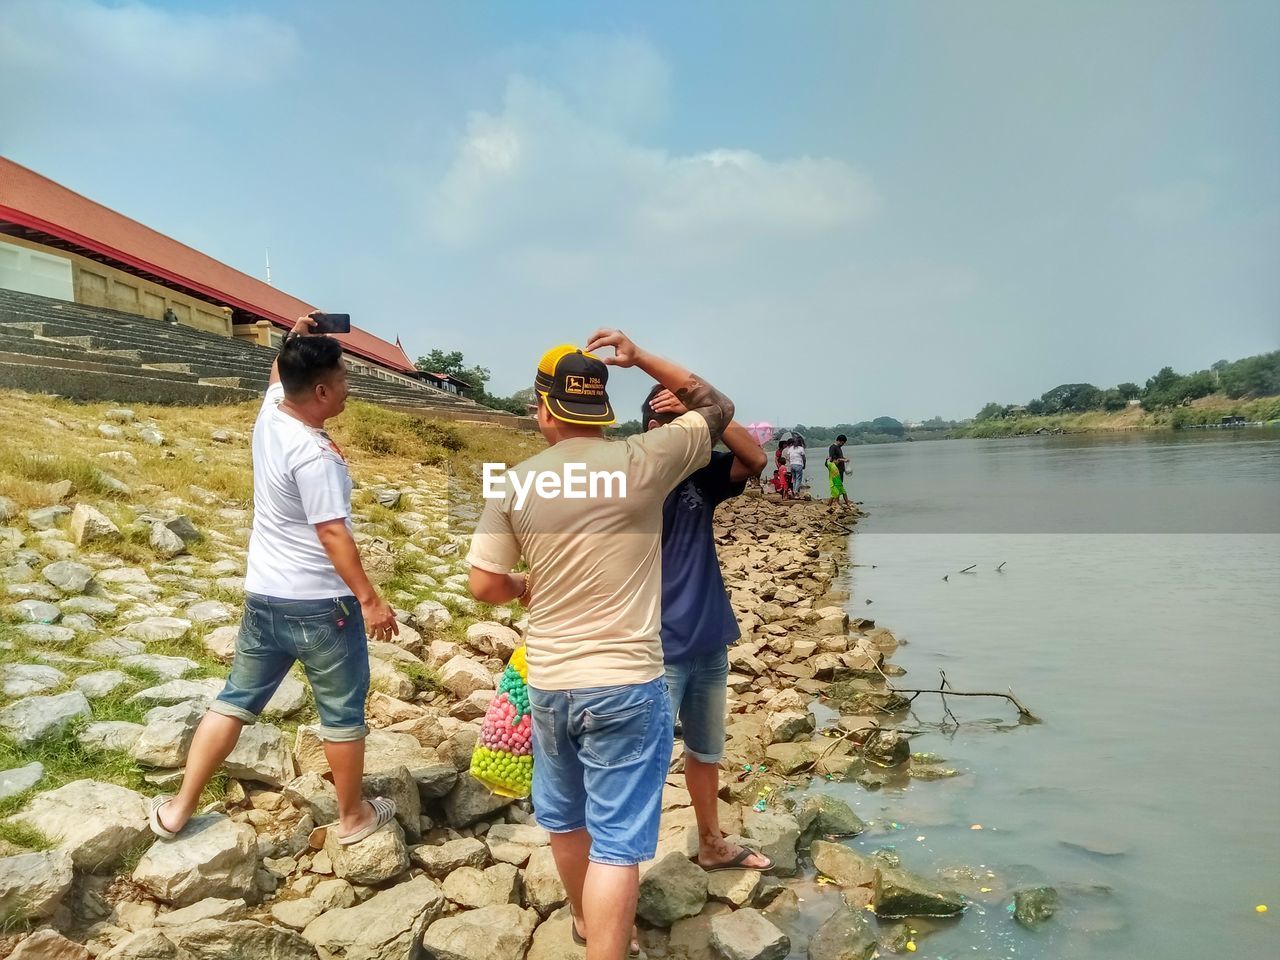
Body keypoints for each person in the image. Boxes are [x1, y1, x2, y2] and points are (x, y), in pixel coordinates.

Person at [467, 330, 734, 960]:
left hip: (552, 682)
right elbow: (717, 408)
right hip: (627, 681)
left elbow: (484, 586)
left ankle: (588, 927)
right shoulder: (645, 459)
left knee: (564, 819)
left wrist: (525, 586)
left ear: (544, 407)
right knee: (617, 844)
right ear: (599, 408)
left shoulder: (515, 482)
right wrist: (641, 358)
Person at [149, 314, 400, 846]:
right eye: (345, 380)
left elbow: (275, 375)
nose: (350, 389)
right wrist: (370, 600)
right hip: (321, 607)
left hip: (264, 596)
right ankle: (353, 816)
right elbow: (332, 533)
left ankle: (177, 810)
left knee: (234, 700)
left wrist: (294, 337)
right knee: (341, 714)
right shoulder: (315, 453)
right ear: (323, 390)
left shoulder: (272, 415)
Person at [642, 386, 772, 872]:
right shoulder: (633, 483)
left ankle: (712, 842)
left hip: (709, 642)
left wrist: (705, 414)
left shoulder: (703, 476)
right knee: (645, 766)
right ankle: (618, 876)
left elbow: (754, 458)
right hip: (657, 649)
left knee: (706, 751)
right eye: (680, 430)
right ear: (653, 432)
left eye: (696, 431)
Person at [826, 434, 852, 510]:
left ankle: (836, 502)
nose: (843, 445)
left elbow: (839, 457)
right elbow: (833, 460)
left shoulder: (839, 448)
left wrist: (845, 458)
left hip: (840, 469)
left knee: (840, 485)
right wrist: (843, 460)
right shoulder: (832, 447)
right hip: (835, 471)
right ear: (840, 441)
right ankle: (836, 502)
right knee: (837, 486)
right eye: (843, 443)